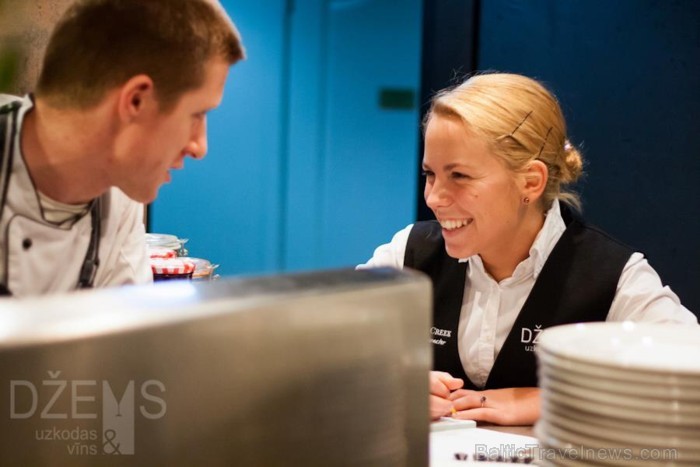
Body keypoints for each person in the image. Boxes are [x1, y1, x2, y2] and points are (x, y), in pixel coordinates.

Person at [359, 72, 697, 426]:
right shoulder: (409, 254)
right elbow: (324, 350)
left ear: (530, 182)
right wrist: (389, 381)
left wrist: (551, 400)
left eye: (459, 176)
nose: (433, 198)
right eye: (430, 174)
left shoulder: (613, 275)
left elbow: (690, 377)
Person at [0, 0, 245, 297]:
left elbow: (119, 335)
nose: (199, 147)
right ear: (135, 101)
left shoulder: (119, 196)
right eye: (197, 115)